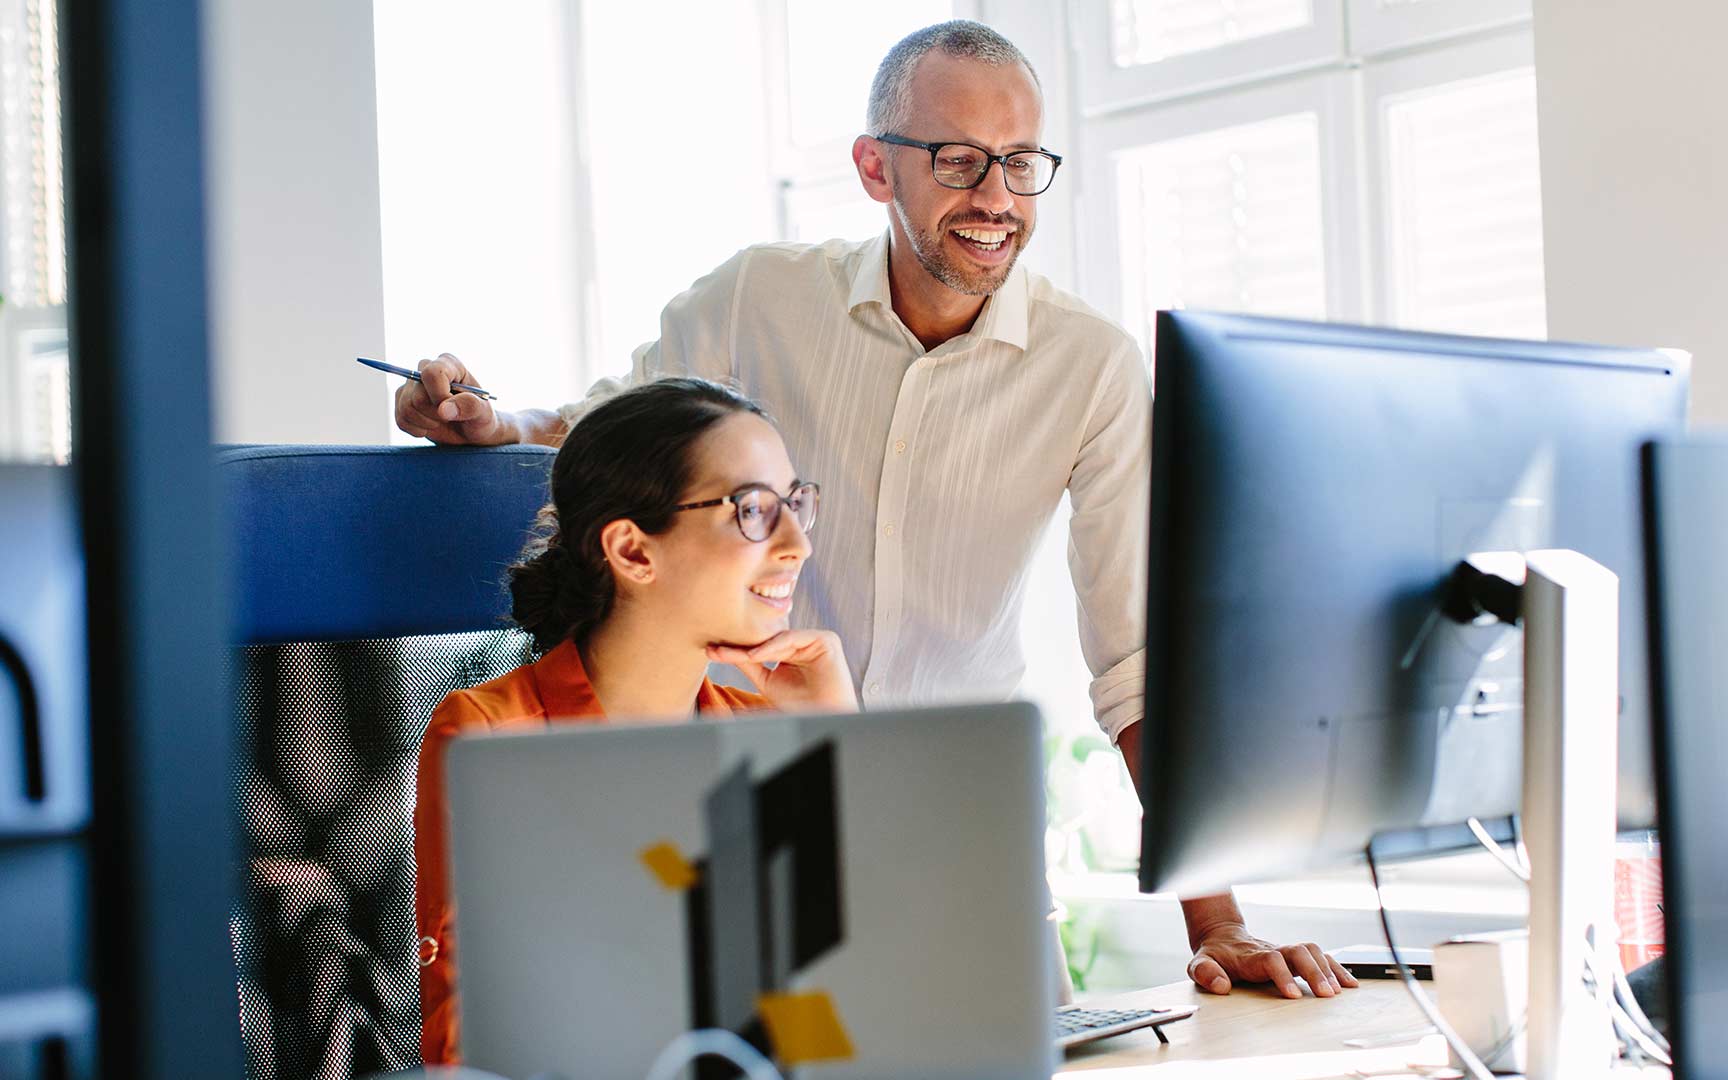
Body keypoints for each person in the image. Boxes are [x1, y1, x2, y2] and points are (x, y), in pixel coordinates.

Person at [395, 20, 1356, 1003]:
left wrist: (1218, 920)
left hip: (954, 850)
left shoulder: (1092, 367)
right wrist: (494, 420)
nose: (996, 199)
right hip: (746, 824)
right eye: (959, 161)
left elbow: (1138, 662)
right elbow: (618, 429)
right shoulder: (757, 298)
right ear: (874, 168)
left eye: (1022, 164)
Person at [411, 378, 856, 1064]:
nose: (797, 543)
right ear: (633, 552)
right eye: (755, 511)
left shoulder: (759, 727)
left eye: (796, 505)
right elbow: (474, 1049)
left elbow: (833, 1010)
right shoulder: (496, 736)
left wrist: (834, 739)